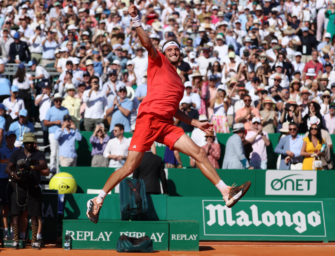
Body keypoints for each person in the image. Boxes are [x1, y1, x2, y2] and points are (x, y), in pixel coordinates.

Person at [86, 5, 250, 224]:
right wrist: (136, 21)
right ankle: (98, 200)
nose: (174, 52)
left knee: (199, 153)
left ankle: (225, 192)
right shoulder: (158, 60)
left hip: (165, 124)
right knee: (129, 167)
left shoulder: (180, 83)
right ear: (164, 52)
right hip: (148, 120)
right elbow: (147, 44)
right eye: (170, 49)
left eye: (177, 50)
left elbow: (174, 110)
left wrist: (196, 123)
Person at [6, 133, 49, 249]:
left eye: (31, 142)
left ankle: (34, 240)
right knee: (15, 214)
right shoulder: (17, 153)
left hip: (33, 186)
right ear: (24, 143)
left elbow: (44, 165)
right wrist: (13, 174)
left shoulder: (38, 154)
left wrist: (32, 166)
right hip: (18, 187)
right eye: (27, 142)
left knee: (34, 214)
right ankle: (15, 240)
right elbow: (8, 167)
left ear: (34, 143)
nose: (29, 144)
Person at [43, 93, 69, 173]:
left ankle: (60, 169)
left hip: (63, 134)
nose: (58, 102)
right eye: (57, 101)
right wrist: (54, 122)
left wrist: (65, 124)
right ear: (54, 101)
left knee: (62, 153)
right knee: (54, 152)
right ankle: (52, 169)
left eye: (60, 101)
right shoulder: (50, 110)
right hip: (53, 133)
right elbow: (45, 123)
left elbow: (68, 121)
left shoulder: (65, 110)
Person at [0, 132, 17, 241]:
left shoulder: (17, 151)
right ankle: (6, 230)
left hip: (14, 180)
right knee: (4, 206)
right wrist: (11, 161)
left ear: (15, 139)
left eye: (12, 138)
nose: (10, 140)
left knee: (13, 207)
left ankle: (13, 231)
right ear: (6, 139)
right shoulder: (1, 151)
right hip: (2, 180)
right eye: (9, 138)